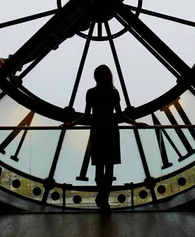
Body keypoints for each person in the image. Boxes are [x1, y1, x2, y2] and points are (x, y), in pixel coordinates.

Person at [62, 64, 145, 211]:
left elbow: (87, 116)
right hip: (111, 130)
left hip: (97, 130)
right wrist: (135, 123)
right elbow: (119, 115)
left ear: (96, 77)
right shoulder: (114, 92)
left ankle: (102, 195)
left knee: (99, 167)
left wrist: (71, 124)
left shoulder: (91, 93)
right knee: (110, 168)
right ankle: (104, 198)